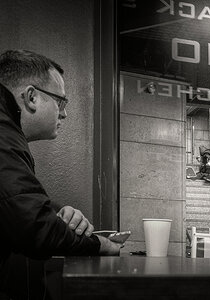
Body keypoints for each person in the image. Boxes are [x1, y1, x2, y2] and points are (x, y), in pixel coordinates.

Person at [0, 50, 125, 299]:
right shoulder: (3, 135)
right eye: (61, 102)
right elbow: (34, 228)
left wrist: (55, 213)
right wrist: (101, 245)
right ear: (31, 97)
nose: (64, 113)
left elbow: (15, 202)